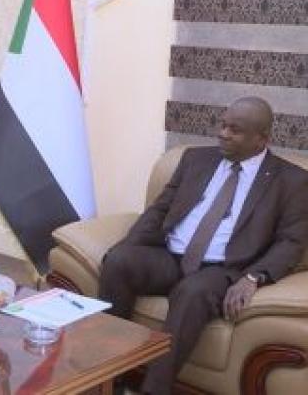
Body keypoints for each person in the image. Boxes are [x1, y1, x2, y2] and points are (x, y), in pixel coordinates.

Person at [98, 96, 308, 395]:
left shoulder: (291, 181)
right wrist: (130, 246)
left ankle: (153, 390)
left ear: (262, 138)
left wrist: (254, 277)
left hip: (222, 268)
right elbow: (160, 209)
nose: (223, 134)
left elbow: (291, 241)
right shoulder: (195, 159)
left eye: (235, 130)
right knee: (119, 261)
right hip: (171, 256)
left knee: (192, 292)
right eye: (223, 125)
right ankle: (107, 380)